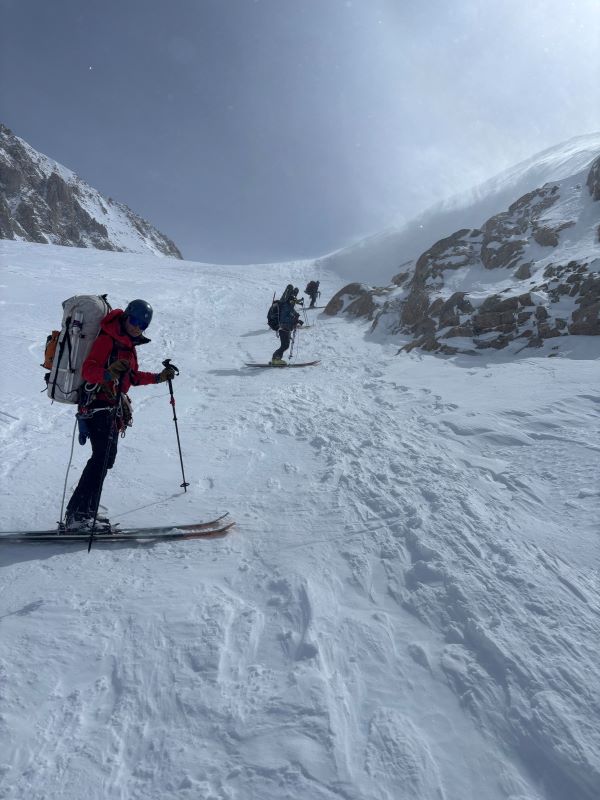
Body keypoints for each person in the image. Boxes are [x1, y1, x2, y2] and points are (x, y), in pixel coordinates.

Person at [64, 299, 176, 531]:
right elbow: (89, 369)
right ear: (125, 317)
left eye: (143, 325)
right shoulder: (108, 339)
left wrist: (158, 377)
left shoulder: (127, 344)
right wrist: (107, 374)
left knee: (105, 459)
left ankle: (87, 512)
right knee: (101, 458)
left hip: (112, 408)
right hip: (97, 406)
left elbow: (131, 377)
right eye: (134, 321)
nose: (137, 327)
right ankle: (77, 516)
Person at [270, 285, 304, 366]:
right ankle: (275, 359)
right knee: (284, 346)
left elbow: (293, 313)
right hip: (283, 328)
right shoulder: (286, 307)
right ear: (290, 301)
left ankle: (277, 359)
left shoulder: (289, 307)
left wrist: (296, 318)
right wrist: (295, 320)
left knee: (285, 345)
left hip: (287, 328)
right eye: (293, 301)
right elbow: (284, 319)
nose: (293, 303)